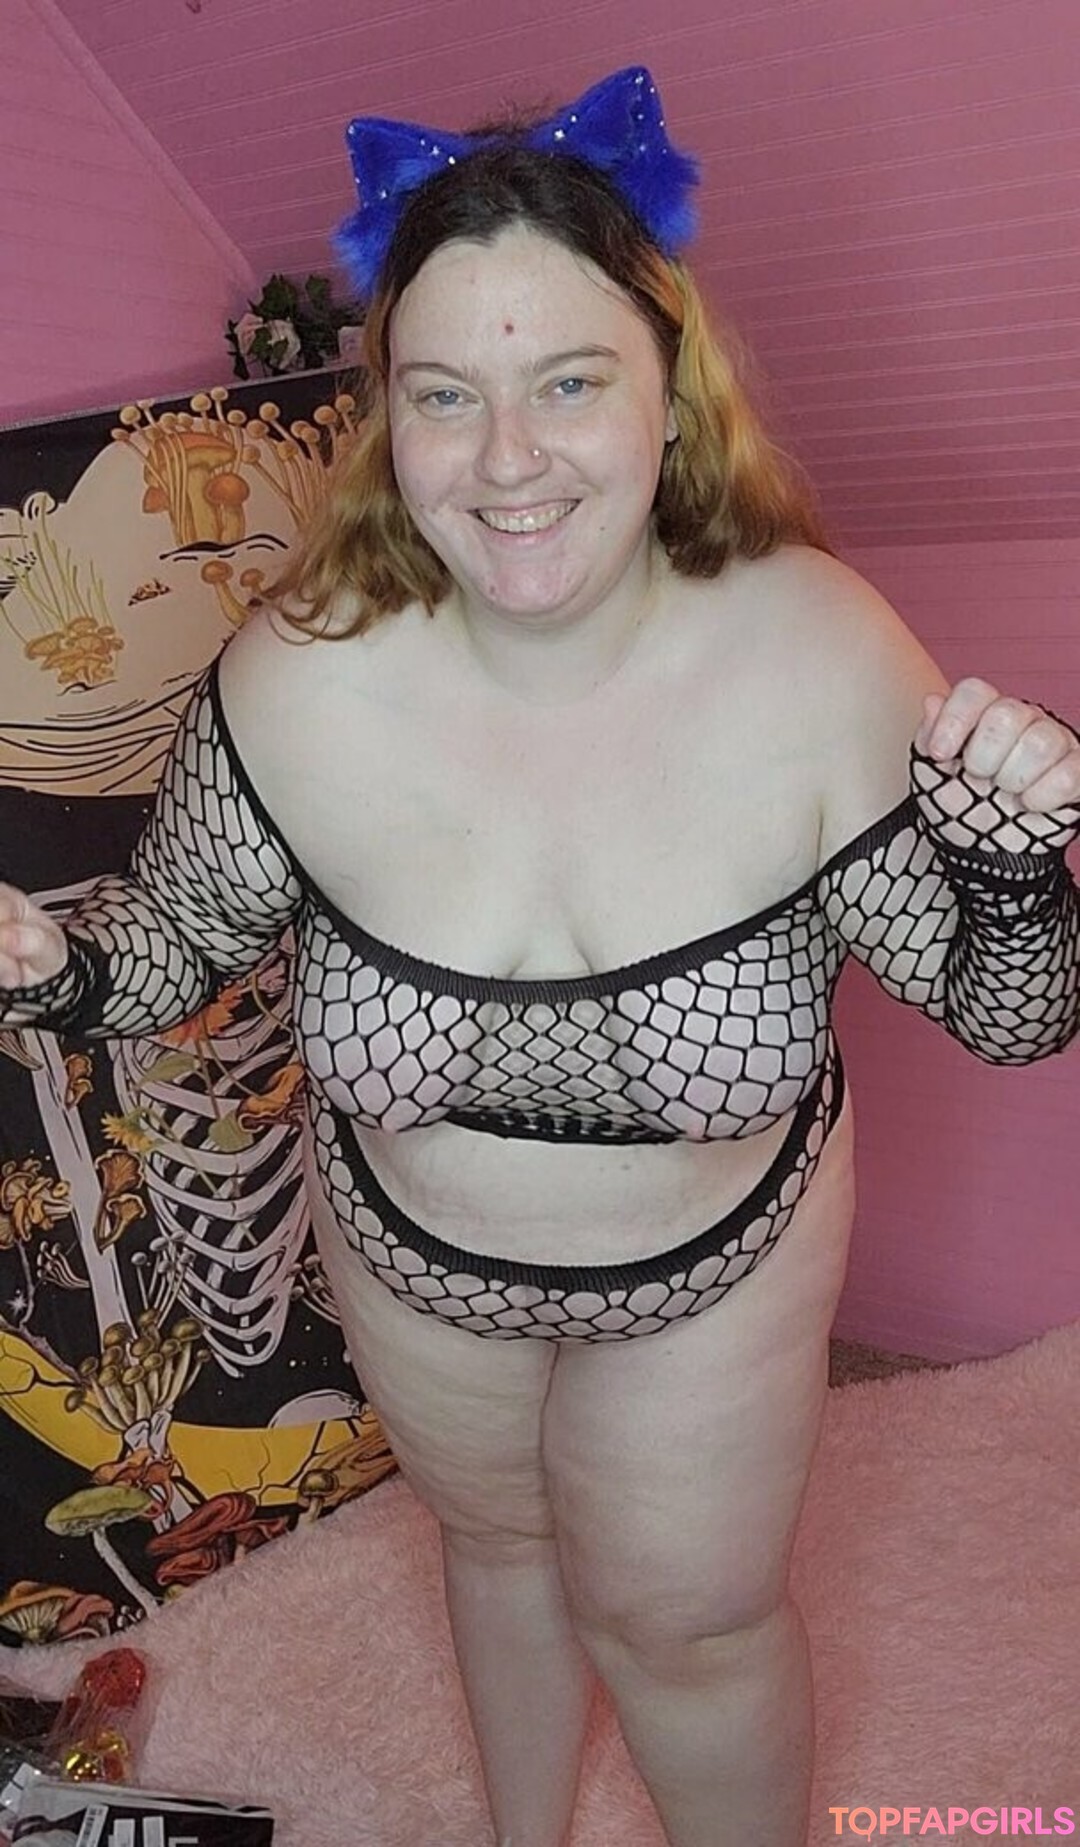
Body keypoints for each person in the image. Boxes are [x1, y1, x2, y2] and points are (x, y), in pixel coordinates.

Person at [1, 64, 1077, 1847]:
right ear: (391, 420)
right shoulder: (298, 677)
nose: (507, 461)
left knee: (688, 1628)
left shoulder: (820, 659)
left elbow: (1008, 1011)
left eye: (569, 381)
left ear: (672, 393)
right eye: (447, 395)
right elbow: (176, 946)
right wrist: (50, 968)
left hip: (715, 1270)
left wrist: (1013, 871)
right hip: (412, 1260)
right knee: (497, 1552)